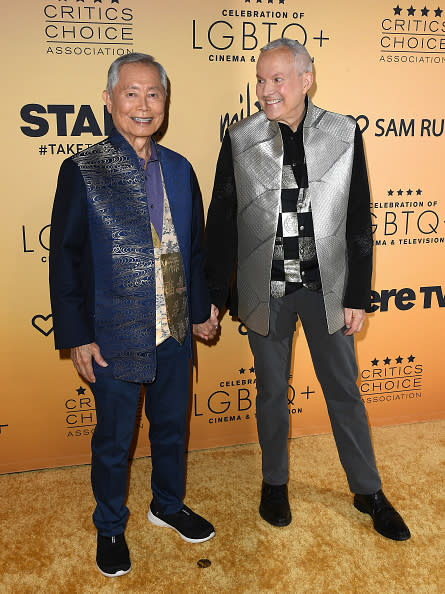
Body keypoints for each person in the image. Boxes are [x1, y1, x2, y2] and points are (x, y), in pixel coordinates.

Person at [205, 38, 410, 541]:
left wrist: (357, 295)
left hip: (326, 291)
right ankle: (274, 483)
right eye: (260, 79)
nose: (266, 90)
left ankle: (368, 490)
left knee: (343, 392)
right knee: (271, 393)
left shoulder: (342, 132)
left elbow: (358, 217)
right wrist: (212, 294)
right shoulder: (240, 138)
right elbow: (222, 221)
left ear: (305, 80)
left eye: (277, 79)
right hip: (264, 291)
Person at [50, 52, 219, 578]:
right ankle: (110, 526)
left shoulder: (180, 167)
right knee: (114, 440)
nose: (143, 106)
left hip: (173, 329)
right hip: (113, 334)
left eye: (154, 95)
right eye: (131, 93)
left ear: (165, 103)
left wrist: (199, 311)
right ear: (109, 100)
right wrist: (77, 336)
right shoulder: (82, 169)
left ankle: (167, 505)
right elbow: (66, 258)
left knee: (171, 429)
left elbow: (194, 249)